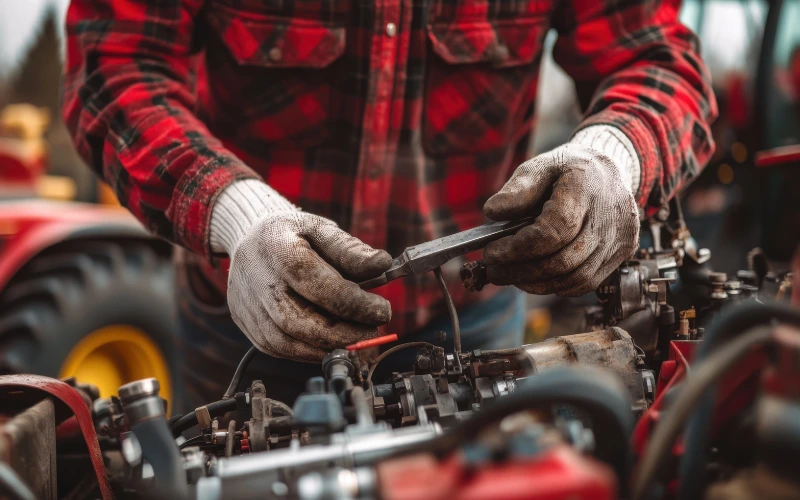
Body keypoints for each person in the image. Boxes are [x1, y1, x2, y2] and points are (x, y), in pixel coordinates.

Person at [63, 0, 716, 409]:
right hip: (245, 322)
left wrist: (612, 157)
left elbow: (655, 58)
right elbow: (114, 64)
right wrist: (237, 214)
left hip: (470, 327)